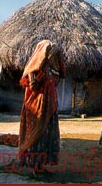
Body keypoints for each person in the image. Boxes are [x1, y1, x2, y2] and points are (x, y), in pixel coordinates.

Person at [18, 40, 66, 174]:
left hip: (49, 108)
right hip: (37, 108)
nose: (54, 56)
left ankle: (41, 166)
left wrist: (54, 65)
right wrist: (38, 77)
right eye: (51, 53)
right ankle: (35, 167)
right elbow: (32, 86)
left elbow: (63, 74)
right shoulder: (33, 69)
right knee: (38, 135)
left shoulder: (53, 69)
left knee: (47, 136)